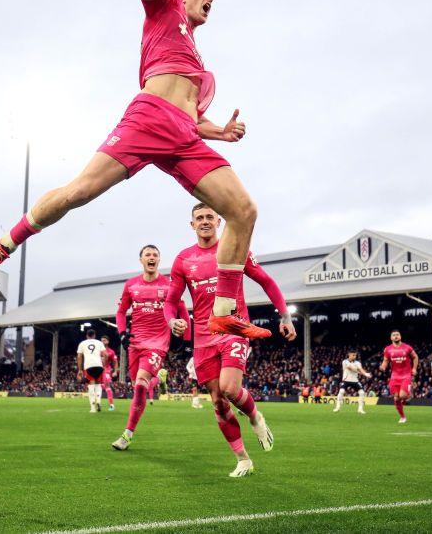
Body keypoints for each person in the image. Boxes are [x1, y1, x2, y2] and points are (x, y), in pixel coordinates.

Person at [0, 0, 267, 341]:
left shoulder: (199, 63)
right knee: (79, 192)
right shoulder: (166, 8)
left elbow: (194, 119)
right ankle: (5, 243)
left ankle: (222, 312)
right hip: (148, 119)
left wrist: (221, 132)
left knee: (243, 210)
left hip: (183, 136)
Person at [151, 202, 296, 477]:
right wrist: (173, 322)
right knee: (218, 401)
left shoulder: (235, 250)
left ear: (219, 222)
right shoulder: (183, 260)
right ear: (191, 224)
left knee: (230, 389)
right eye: (199, 218)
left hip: (234, 329)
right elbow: (170, 302)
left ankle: (255, 417)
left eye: (209, 217)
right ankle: (243, 459)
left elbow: (267, 281)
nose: (204, 221)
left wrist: (285, 316)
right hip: (203, 337)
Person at [113, 245, 189, 445]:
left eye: (155, 255)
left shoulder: (168, 285)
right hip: (135, 344)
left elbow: (182, 309)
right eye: (148, 254)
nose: (151, 257)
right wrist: (122, 334)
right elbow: (121, 312)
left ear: (159, 260)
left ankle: (127, 435)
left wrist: (186, 338)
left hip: (157, 344)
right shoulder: (131, 285)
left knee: (139, 386)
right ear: (141, 260)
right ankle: (160, 379)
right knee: (139, 386)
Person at [380, 330, 418, 424]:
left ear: (400, 337)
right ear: (391, 338)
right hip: (394, 376)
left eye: (397, 335)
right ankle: (402, 417)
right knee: (396, 398)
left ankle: (409, 392)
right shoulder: (387, 349)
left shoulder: (407, 347)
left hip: (406, 375)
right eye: (394, 335)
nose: (396, 336)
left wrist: (414, 368)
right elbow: (386, 360)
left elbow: (415, 357)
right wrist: (383, 366)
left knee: (402, 396)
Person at [76, 329, 108, 413]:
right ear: (94, 335)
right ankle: (99, 401)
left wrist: (80, 369)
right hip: (99, 366)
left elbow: (79, 357)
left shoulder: (82, 343)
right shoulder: (99, 343)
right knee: (98, 384)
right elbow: (106, 354)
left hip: (88, 366)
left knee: (91, 384)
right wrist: (104, 364)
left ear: (86, 336)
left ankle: (93, 408)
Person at [99, 335, 118, 411]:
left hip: (106, 370)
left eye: (104, 340)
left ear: (108, 342)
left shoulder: (111, 351)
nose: (102, 342)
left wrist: (115, 371)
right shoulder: (97, 350)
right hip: (98, 370)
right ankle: (98, 404)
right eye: (101, 340)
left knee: (106, 385)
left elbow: (115, 362)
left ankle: (111, 405)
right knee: (99, 386)